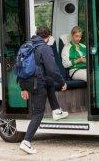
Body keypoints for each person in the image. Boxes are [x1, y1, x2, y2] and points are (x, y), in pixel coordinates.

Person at [19, 26, 68, 154]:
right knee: (38, 113)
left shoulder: (26, 45)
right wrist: (62, 82)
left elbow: (19, 67)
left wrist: (23, 87)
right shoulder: (44, 48)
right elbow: (52, 69)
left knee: (50, 82)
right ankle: (26, 141)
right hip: (37, 83)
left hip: (28, 81)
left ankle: (56, 110)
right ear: (48, 37)